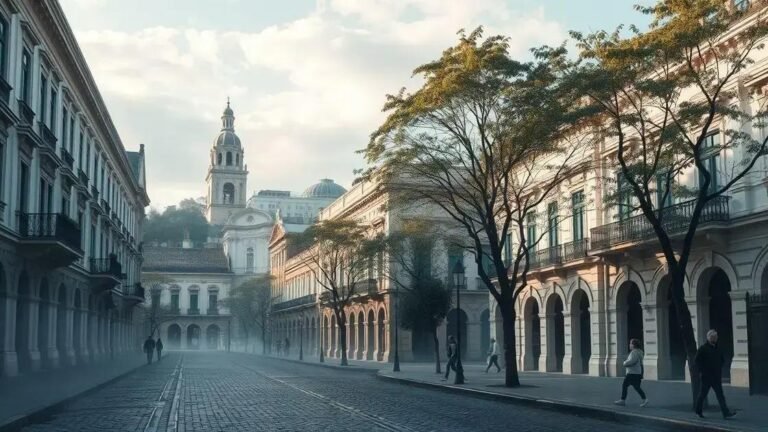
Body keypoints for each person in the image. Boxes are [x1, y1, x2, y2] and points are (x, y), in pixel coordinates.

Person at [695, 330, 737, 419]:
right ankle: (698, 411)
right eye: (713, 337)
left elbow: (722, 360)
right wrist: (703, 371)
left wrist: (719, 368)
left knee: (720, 395)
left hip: (716, 376)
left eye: (716, 337)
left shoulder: (718, 348)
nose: (715, 338)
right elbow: (697, 361)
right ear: (709, 338)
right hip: (706, 377)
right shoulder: (703, 348)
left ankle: (726, 413)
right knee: (703, 394)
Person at [614, 338, 648, 407]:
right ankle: (645, 399)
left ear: (634, 345)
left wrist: (624, 363)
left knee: (625, 385)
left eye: (630, 343)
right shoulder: (639, 352)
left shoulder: (634, 353)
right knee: (636, 387)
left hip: (632, 373)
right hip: (637, 372)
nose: (629, 345)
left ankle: (622, 400)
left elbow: (631, 361)